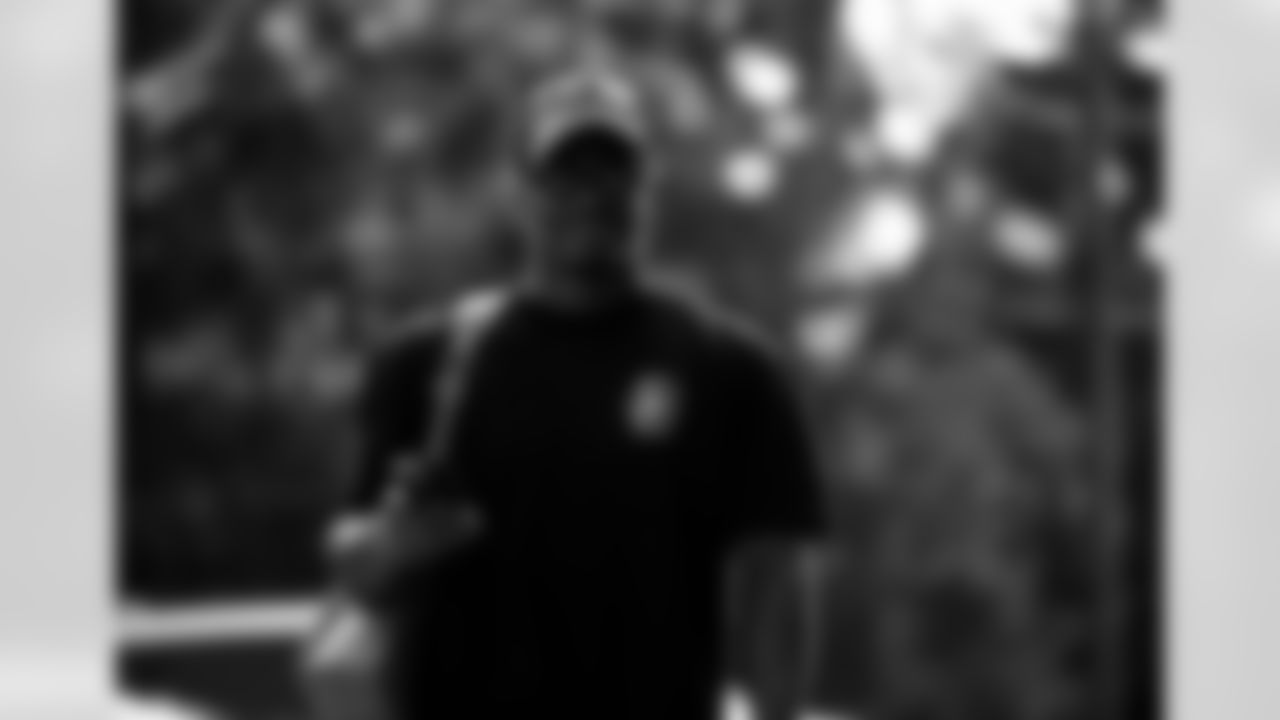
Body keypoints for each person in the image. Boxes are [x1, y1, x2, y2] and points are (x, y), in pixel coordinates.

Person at [327, 67, 827, 720]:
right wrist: (399, 543)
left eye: (614, 173)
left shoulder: (731, 373)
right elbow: (352, 565)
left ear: (647, 188)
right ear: (520, 194)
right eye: (566, 174)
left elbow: (777, 588)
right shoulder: (426, 365)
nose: (592, 196)